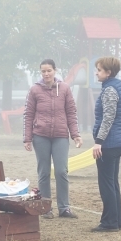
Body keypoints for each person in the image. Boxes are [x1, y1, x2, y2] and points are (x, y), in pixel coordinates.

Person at [23, 59, 82, 219]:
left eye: (49, 70)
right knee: (44, 172)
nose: (46, 74)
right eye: (43, 71)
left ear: (55, 71)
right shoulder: (34, 90)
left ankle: (64, 208)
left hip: (60, 136)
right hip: (40, 136)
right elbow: (28, 115)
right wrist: (27, 138)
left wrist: (75, 134)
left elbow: (71, 112)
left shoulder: (64, 89)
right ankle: (46, 208)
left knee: (61, 171)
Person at [91, 56, 121, 232]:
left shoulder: (110, 90)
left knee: (106, 185)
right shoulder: (117, 85)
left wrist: (99, 142)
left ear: (108, 72)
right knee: (113, 183)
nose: (96, 73)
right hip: (117, 141)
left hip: (109, 143)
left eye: (99, 70)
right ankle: (117, 221)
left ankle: (109, 222)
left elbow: (108, 118)